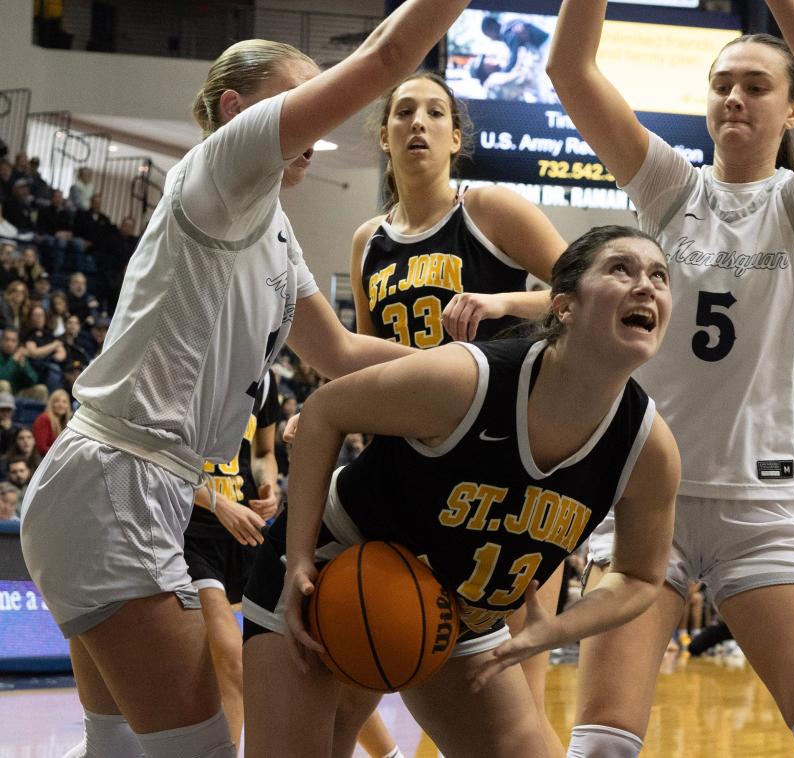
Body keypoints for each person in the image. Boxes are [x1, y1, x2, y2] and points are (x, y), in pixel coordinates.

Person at [18, 4, 474, 755]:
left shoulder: (274, 227)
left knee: (118, 748)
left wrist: (477, 368)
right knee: (198, 748)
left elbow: (340, 353)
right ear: (236, 112)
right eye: (296, 103)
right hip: (118, 483)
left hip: (126, 489)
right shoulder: (222, 169)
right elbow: (387, 59)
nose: (310, 126)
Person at [548, 1, 794, 755]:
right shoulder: (673, 190)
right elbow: (569, 70)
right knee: (600, 746)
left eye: (756, 86)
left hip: (761, 508)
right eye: (721, 83)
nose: (733, 96)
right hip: (643, 500)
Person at [241, 225, 679, 758]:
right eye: (621, 269)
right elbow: (324, 413)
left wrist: (555, 630)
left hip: (456, 610)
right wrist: (299, 560)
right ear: (563, 306)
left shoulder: (649, 448)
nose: (646, 286)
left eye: (659, 276)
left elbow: (639, 575)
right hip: (337, 564)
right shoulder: (470, 380)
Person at [349, 70, 569, 757]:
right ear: (384, 136)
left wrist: (504, 303)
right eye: (403, 111)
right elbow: (365, 358)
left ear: (456, 137)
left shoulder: (490, 210)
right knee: (400, 642)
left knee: (515, 653)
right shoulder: (366, 241)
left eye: (435, 112)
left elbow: (584, 293)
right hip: (409, 467)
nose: (418, 122)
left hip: (506, 458)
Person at [183, 369, 281, 747]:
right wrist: (218, 502)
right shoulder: (191, 362)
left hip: (242, 526)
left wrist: (269, 485)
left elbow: (264, 453)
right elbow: (156, 456)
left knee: (301, 652)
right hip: (188, 529)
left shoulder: (266, 376)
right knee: (231, 663)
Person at [32, 387, 73, 455]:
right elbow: (42, 448)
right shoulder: (44, 418)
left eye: (64, 402)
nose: (61, 405)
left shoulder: (65, 422)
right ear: (51, 404)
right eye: (57, 401)